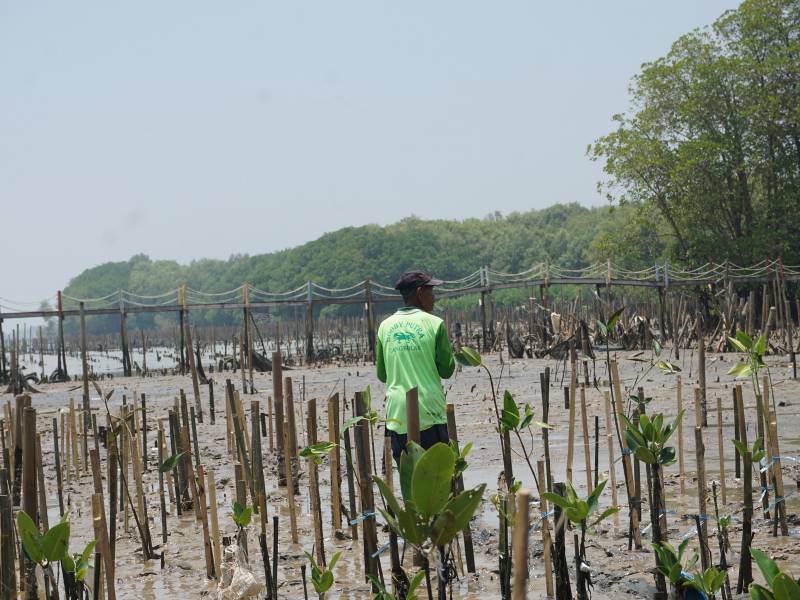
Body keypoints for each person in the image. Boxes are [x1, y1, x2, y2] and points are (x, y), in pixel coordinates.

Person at [376, 270, 456, 463]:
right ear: (420, 293)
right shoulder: (435, 324)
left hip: (397, 416)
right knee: (437, 485)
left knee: (410, 484)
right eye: (432, 292)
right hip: (430, 413)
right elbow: (447, 370)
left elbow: (382, 374)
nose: (434, 298)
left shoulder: (385, 326)